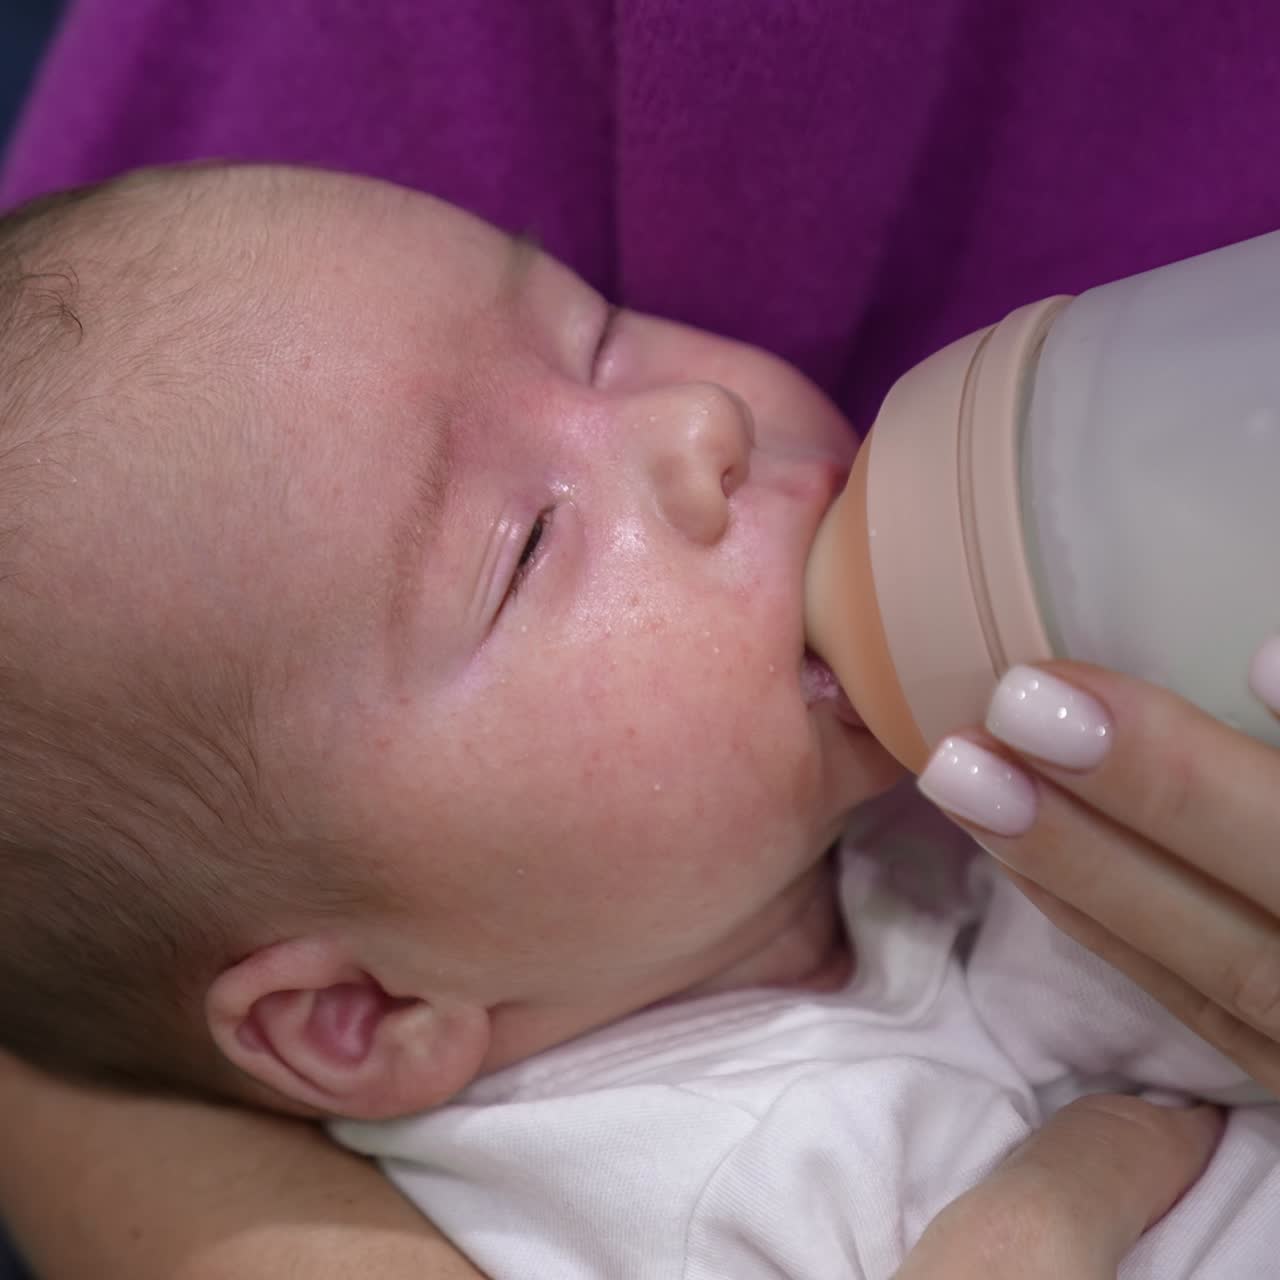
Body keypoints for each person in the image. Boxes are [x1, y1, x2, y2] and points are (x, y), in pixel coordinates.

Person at [5, 1, 1280, 1275]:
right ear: (364, 1013)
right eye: (527, 546)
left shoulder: (885, 848)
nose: (696, 418)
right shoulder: (692, 1215)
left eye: (598, 334)